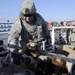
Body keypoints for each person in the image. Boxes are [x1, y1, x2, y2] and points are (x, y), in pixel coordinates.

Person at [7, 0, 51, 65]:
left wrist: (48, 35)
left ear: (34, 13)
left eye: (30, 15)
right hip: (26, 49)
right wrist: (13, 52)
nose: (28, 18)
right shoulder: (19, 22)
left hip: (37, 47)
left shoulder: (39, 18)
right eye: (26, 15)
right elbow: (13, 37)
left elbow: (44, 26)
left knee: (47, 60)